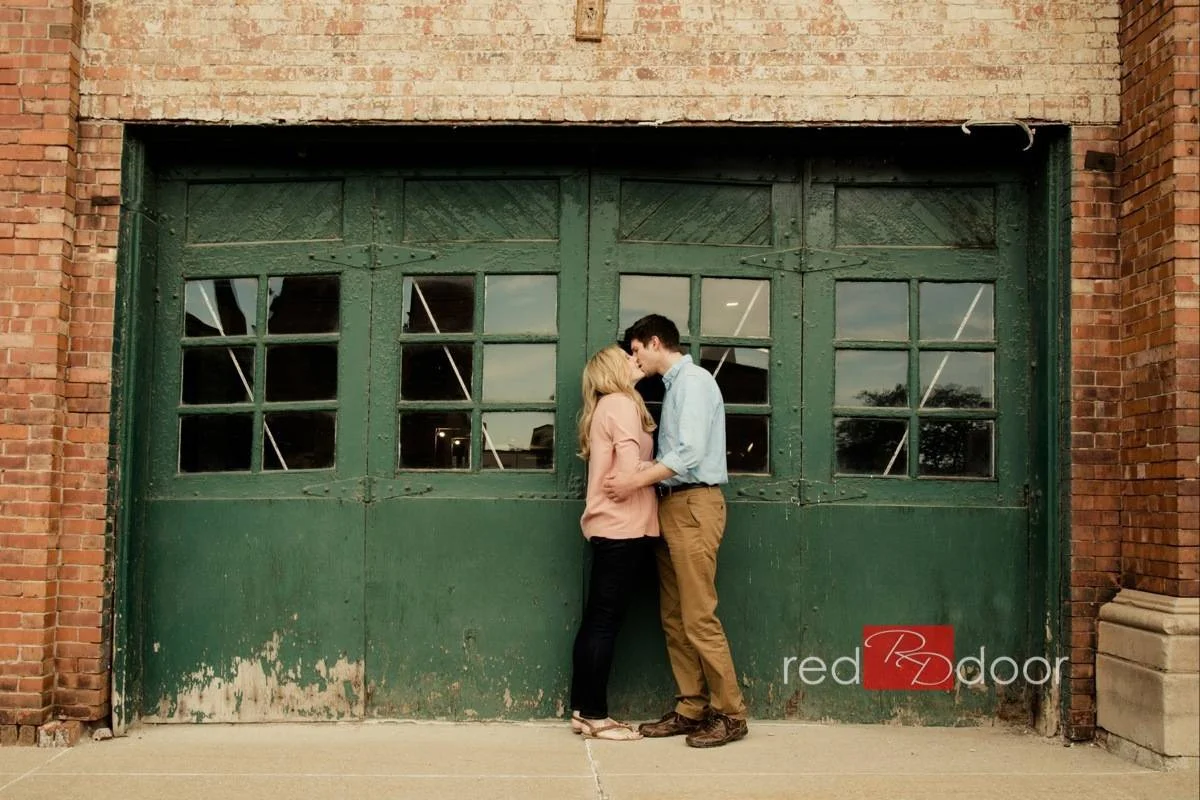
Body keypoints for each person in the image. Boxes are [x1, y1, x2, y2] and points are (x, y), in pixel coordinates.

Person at [603, 314, 748, 748]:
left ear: (654, 342)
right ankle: (691, 708)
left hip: (694, 504)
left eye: (635, 351)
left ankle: (731, 714)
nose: (634, 359)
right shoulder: (675, 386)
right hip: (671, 505)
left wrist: (633, 480)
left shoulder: (694, 382)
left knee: (699, 615)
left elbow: (689, 453)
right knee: (674, 617)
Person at [568, 344, 660, 741]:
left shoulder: (609, 405)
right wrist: (671, 465)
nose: (633, 359)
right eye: (626, 357)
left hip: (611, 527)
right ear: (612, 370)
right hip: (623, 527)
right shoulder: (621, 404)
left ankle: (582, 711)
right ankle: (595, 716)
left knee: (597, 621)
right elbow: (628, 470)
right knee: (604, 623)